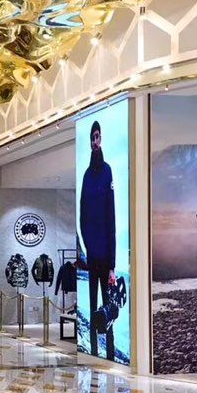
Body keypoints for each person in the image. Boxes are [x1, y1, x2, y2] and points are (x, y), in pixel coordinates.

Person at [79, 119, 116, 359]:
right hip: (93, 255)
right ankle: (92, 351)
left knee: (108, 307)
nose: (95, 141)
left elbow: (111, 217)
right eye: (93, 137)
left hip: (104, 254)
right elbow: (82, 216)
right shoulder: (86, 176)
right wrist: (89, 247)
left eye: (98, 137)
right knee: (93, 305)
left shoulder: (107, 171)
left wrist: (112, 264)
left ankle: (110, 353)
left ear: (101, 139)